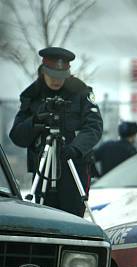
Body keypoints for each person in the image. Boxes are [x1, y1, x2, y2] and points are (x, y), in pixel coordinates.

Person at [9, 47, 103, 217]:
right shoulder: (32, 95)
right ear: (44, 71)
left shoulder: (80, 92)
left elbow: (94, 126)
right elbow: (17, 136)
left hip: (74, 167)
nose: (57, 81)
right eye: (52, 75)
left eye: (61, 76)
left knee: (73, 218)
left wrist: (76, 148)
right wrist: (36, 120)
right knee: (43, 218)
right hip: (42, 167)